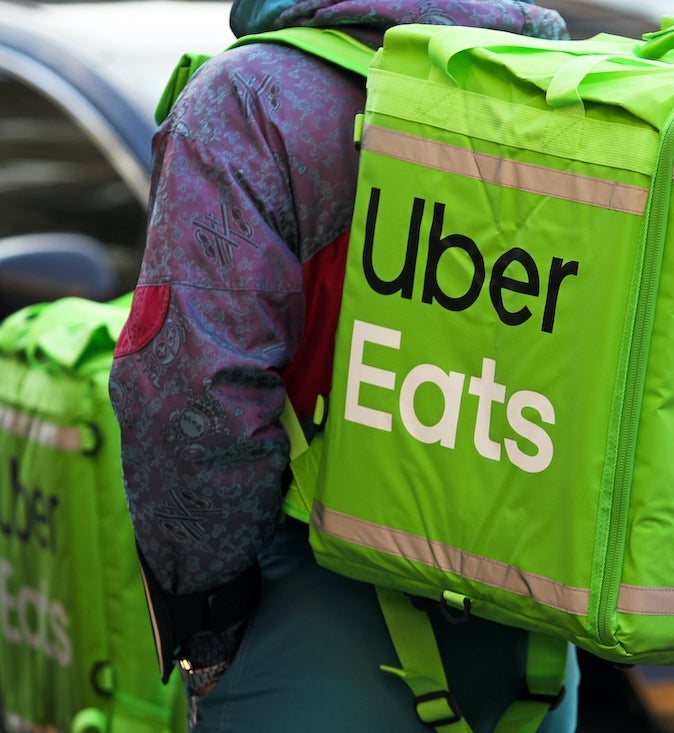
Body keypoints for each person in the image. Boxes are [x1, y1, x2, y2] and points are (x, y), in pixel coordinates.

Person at [108, 1, 579, 730]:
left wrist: (210, 625)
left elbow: (186, 394)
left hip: (313, 633)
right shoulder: (572, 88)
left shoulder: (256, 101)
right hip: (535, 652)